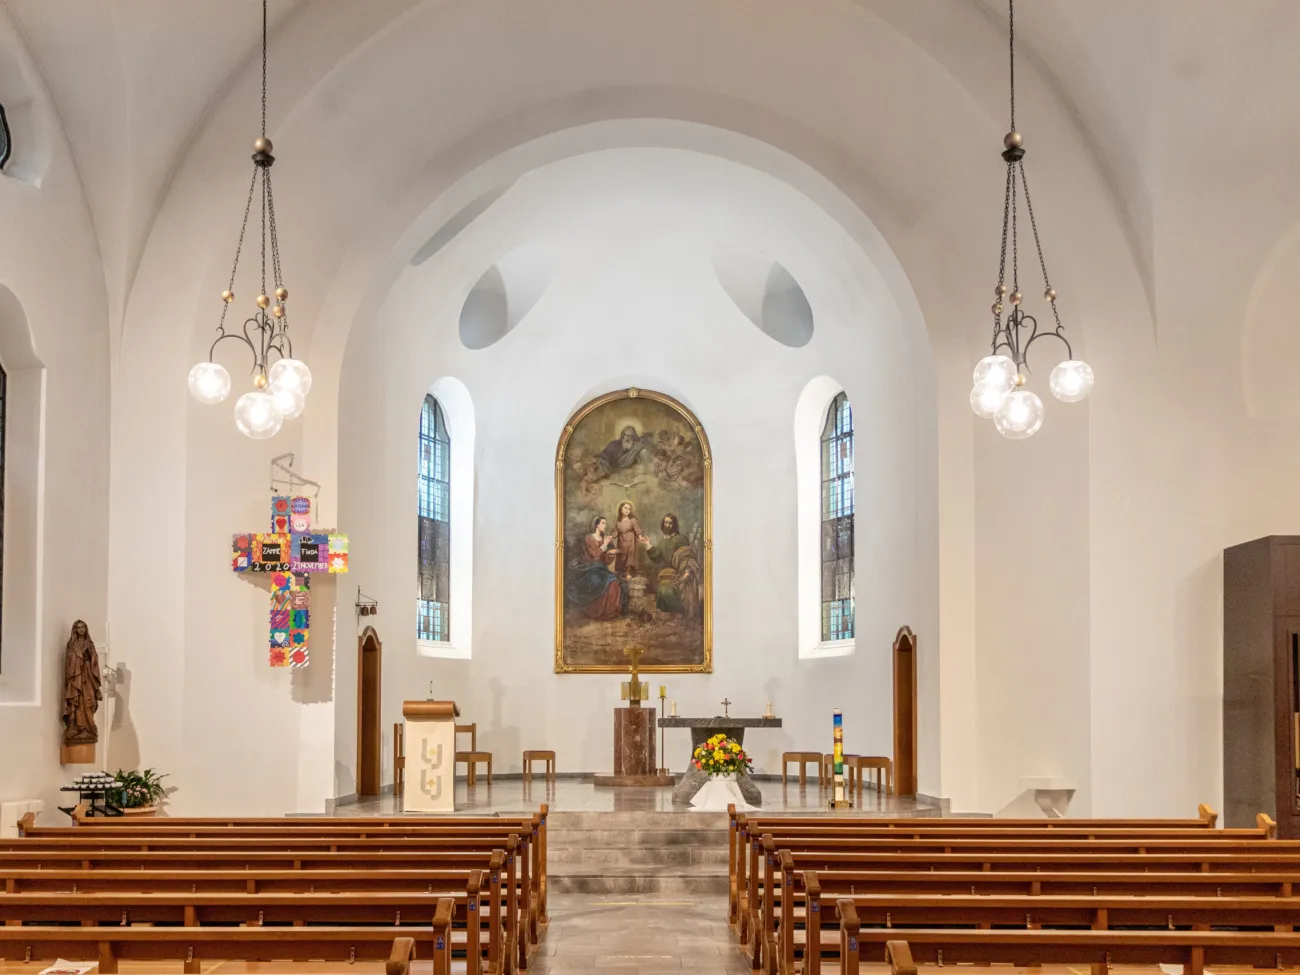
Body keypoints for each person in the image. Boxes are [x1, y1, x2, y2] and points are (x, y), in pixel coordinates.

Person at [565, 516, 625, 621]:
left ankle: (609, 613)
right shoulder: (589, 538)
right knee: (599, 581)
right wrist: (605, 545)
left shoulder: (604, 539)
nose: (605, 525)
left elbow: (605, 561)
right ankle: (595, 612)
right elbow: (594, 554)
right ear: (597, 525)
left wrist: (610, 554)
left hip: (601, 568)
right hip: (589, 569)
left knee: (614, 581)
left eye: (605, 523)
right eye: (603, 523)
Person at [644, 513, 701, 616]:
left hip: (679, 573)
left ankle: (680, 612)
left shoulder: (680, 539)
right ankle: (670, 614)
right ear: (663, 524)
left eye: (670, 523)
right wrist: (648, 544)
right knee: (662, 591)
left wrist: (687, 571)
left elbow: (687, 557)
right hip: (666, 574)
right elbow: (657, 557)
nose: (668, 525)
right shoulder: (662, 541)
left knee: (666, 591)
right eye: (666, 522)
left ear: (674, 525)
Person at [62, 620, 103, 747]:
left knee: (88, 701)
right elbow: (68, 661)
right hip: (76, 678)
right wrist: (76, 663)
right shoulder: (71, 645)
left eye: (83, 627)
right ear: (75, 630)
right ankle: (76, 727)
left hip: (87, 676)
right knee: (77, 701)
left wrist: (90, 657)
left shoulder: (89, 644)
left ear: (86, 629)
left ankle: (88, 728)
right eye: (78, 627)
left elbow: (94, 662)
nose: (81, 629)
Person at [613, 500, 647, 578]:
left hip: (631, 542)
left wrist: (640, 536)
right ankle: (622, 572)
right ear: (621, 509)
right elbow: (615, 532)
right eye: (625, 508)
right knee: (622, 557)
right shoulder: (618, 521)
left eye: (629, 509)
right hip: (621, 542)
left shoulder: (633, 520)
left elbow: (637, 529)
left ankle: (628, 572)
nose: (627, 510)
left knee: (629, 557)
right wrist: (611, 537)